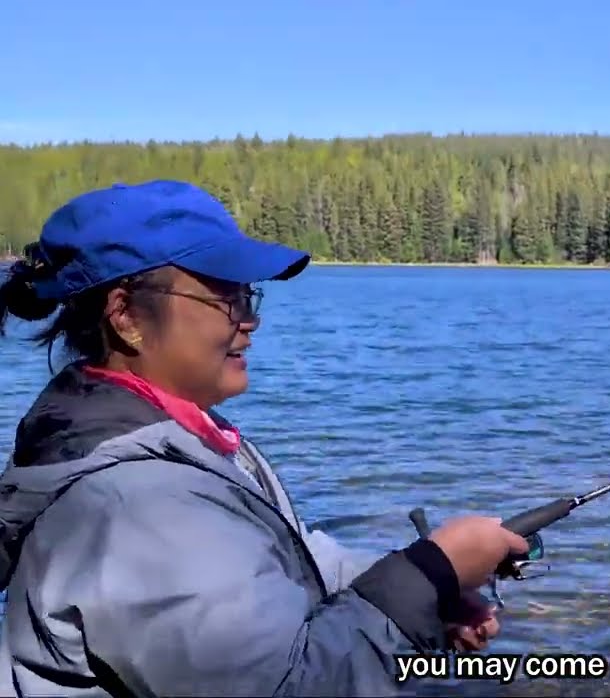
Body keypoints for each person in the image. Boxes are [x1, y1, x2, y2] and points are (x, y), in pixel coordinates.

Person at [0, 180, 530, 696]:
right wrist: (427, 575)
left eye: (248, 295)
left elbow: (287, 565)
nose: (250, 320)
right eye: (225, 296)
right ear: (128, 317)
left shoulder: (177, 438)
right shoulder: (137, 503)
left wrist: (426, 588)